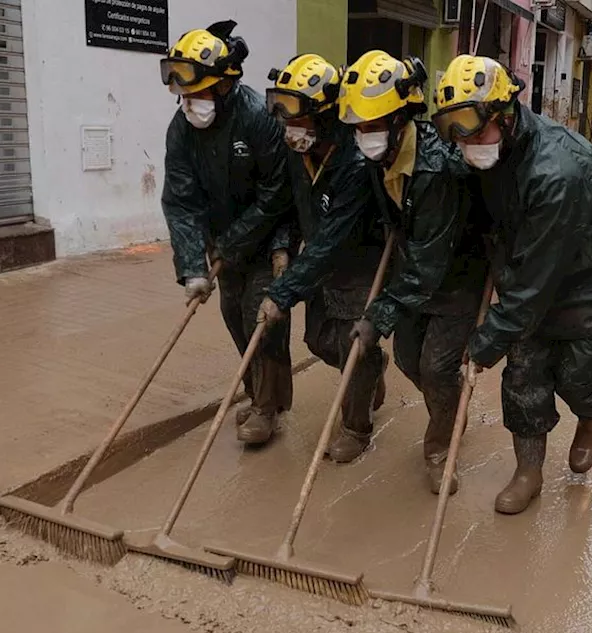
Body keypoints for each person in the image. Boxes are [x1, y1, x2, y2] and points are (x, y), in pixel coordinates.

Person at [432, 55, 592, 515]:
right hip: (528, 266)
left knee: (575, 376)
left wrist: (485, 343)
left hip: (590, 279)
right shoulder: (486, 148)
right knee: (523, 374)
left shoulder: (558, 171)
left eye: (472, 130)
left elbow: (533, 286)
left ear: (504, 117)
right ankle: (529, 471)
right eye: (454, 131)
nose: (464, 144)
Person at [337, 50, 490, 494]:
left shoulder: (437, 167)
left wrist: (376, 317)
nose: (363, 134)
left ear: (401, 117)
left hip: (456, 277)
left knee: (437, 368)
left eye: (372, 124)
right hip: (412, 275)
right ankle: (452, 407)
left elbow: (430, 263)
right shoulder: (378, 157)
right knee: (407, 359)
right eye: (358, 126)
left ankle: (440, 448)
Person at [160, 21, 293, 446]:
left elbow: (277, 193)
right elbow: (181, 200)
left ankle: (267, 410)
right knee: (235, 319)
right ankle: (256, 395)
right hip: (224, 245)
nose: (188, 102)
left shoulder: (257, 118)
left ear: (223, 86)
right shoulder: (181, 129)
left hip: (269, 238)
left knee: (263, 321)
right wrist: (191, 266)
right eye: (182, 94)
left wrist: (236, 242)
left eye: (196, 92)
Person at [257, 54, 390, 463]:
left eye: (296, 113)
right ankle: (372, 369)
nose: (287, 123)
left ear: (326, 115)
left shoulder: (353, 162)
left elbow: (334, 238)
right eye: (281, 110)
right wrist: (282, 247)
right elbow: (286, 207)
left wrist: (282, 293)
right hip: (318, 265)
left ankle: (356, 428)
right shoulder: (299, 154)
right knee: (318, 340)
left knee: (354, 346)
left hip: (356, 263)